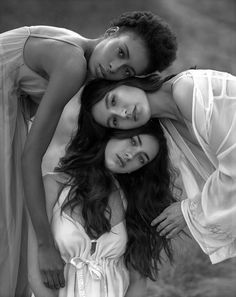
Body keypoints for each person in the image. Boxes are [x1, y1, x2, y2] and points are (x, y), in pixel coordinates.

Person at [0, 11, 177, 296]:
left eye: (127, 70)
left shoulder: (75, 53)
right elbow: (31, 157)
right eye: (121, 52)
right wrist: (46, 245)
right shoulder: (72, 63)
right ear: (112, 32)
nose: (114, 67)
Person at [79, 68, 236, 264]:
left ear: (124, 82)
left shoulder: (186, 89)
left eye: (113, 100)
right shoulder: (169, 123)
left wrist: (190, 210)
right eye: (115, 121)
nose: (123, 113)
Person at [28, 118, 178, 297]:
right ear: (114, 133)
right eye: (132, 142)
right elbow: (33, 273)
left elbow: (137, 282)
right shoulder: (52, 187)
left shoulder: (133, 203)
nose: (131, 155)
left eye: (141, 158)